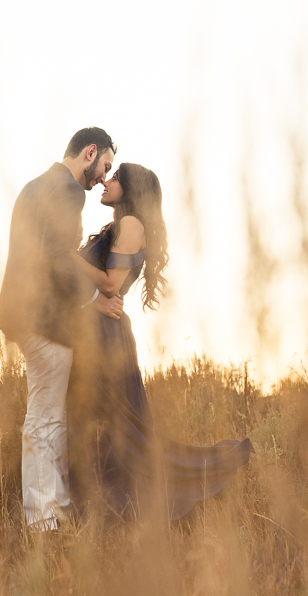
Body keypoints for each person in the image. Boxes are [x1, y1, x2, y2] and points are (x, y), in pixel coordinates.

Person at [68, 162, 252, 520]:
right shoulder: (119, 225)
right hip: (96, 329)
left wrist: (68, 258)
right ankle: (91, 507)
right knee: (100, 425)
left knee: (115, 430)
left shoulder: (132, 224)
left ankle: (131, 506)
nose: (106, 180)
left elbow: (109, 283)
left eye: (116, 176)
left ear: (133, 188)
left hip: (104, 336)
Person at [0, 127, 124, 531]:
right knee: (45, 418)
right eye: (104, 166)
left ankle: (59, 509)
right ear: (89, 152)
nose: (103, 178)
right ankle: (42, 520)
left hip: (26, 315)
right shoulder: (68, 191)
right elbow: (56, 259)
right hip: (45, 318)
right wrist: (94, 301)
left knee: (50, 416)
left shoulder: (35, 187)